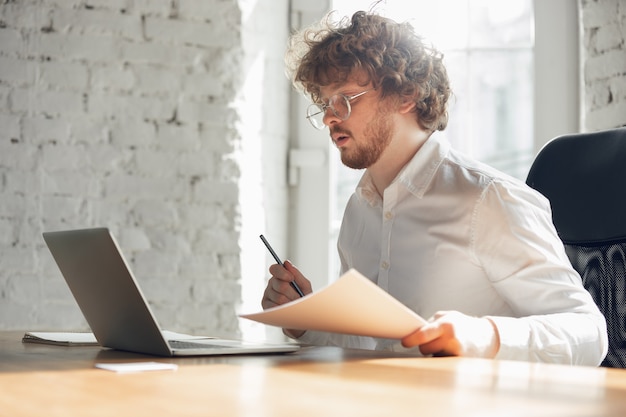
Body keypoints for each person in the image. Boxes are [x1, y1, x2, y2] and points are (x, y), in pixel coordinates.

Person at [261, 10, 608, 365]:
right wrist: (305, 324)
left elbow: (588, 333)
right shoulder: (359, 210)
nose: (329, 117)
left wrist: (482, 336)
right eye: (324, 103)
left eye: (345, 99)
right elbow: (371, 345)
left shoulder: (488, 200)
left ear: (405, 95)